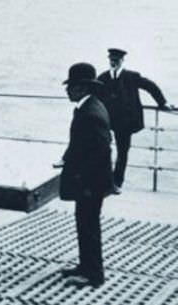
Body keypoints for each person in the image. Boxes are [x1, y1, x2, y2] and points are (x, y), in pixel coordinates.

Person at [58, 62, 113, 289]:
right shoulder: (90, 106)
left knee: (89, 226)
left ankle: (94, 275)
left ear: (81, 88)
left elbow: (101, 151)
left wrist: (88, 183)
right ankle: (85, 266)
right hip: (89, 181)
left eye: (70, 86)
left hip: (90, 183)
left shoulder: (90, 112)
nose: (67, 90)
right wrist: (67, 158)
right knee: (84, 224)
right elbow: (81, 144)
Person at [97, 48, 174, 190]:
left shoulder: (132, 76)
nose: (113, 63)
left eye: (116, 60)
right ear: (109, 60)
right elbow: (94, 93)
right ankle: (105, 178)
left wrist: (162, 103)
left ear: (122, 61)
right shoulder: (103, 78)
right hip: (107, 121)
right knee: (104, 149)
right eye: (111, 60)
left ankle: (116, 182)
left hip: (124, 123)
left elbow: (151, 86)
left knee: (122, 152)